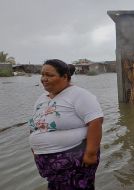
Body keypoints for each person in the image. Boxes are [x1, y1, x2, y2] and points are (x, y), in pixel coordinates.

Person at [28, 59, 103, 190]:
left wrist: (91, 154)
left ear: (65, 77)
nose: (44, 79)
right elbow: (36, 124)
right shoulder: (42, 98)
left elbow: (96, 122)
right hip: (46, 163)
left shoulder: (79, 95)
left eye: (49, 75)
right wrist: (35, 149)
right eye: (42, 75)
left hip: (74, 159)